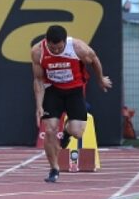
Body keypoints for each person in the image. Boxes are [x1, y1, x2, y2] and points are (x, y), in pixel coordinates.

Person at [31, 24, 112, 184]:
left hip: (74, 90)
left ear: (64, 43)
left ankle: (67, 130)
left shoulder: (77, 47)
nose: (55, 51)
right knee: (49, 130)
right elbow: (38, 80)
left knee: (78, 132)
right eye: (52, 48)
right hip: (53, 90)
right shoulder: (38, 51)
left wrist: (100, 79)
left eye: (59, 48)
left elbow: (94, 59)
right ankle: (54, 168)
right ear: (47, 42)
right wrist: (39, 106)